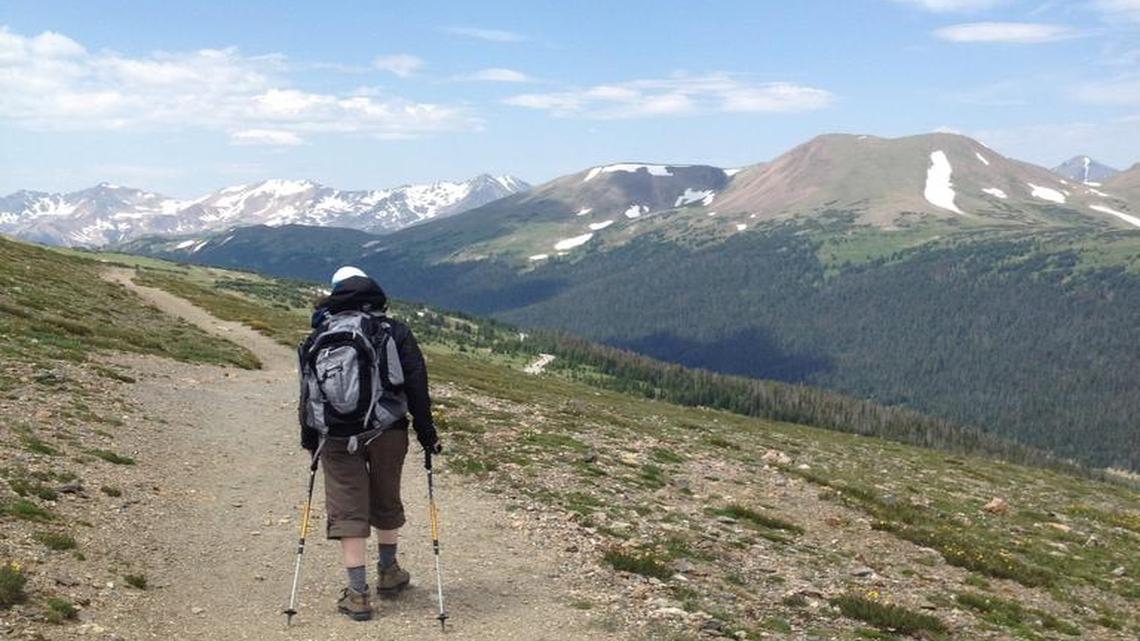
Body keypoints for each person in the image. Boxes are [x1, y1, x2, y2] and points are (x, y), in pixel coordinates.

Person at [299, 265, 443, 621]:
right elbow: (416, 385)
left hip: (334, 435)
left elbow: (306, 392)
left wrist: (309, 438)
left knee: (348, 508)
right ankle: (390, 572)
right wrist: (427, 434)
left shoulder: (320, 333)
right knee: (385, 496)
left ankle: (358, 594)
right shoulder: (393, 331)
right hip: (388, 429)